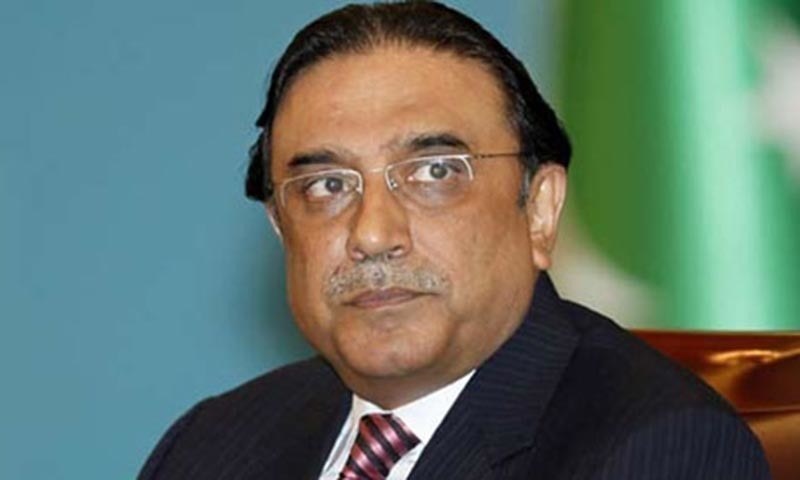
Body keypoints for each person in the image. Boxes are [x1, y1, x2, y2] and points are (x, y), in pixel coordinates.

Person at [139, 2, 771, 479]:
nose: (373, 234)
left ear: (540, 210)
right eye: (327, 186)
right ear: (281, 227)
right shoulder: (211, 444)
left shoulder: (660, 447)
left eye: (435, 173)